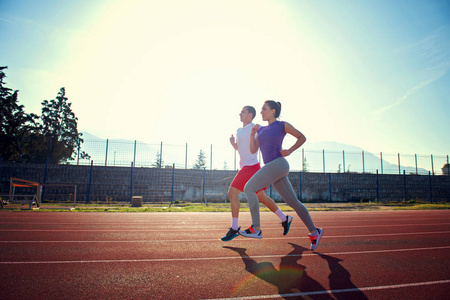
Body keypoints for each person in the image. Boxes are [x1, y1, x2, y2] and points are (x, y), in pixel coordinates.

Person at [239, 100, 323, 251]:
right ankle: (314, 231)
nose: (261, 112)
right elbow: (253, 150)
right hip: (272, 168)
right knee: (294, 203)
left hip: (279, 164)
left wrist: (289, 151)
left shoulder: (282, 125)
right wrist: (252, 134)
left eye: (264, 109)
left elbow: (302, 137)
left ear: (273, 111)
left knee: (249, 188)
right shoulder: (261, 129)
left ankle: (256, 229)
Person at [221, 105, 293, 242]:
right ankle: (285, 218)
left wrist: (278, 150)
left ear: (250, 115)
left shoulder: (256, 128)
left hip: (251, 166)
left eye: (243, 112)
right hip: (246, 166)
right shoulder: (239, 130)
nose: (240, 114)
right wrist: (233, 144)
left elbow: (265, 141)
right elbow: (242, 149)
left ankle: (235, 227)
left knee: (232, 193)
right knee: (261, 197)